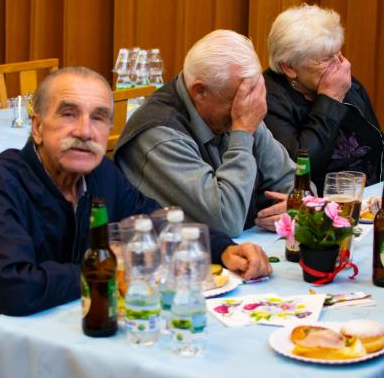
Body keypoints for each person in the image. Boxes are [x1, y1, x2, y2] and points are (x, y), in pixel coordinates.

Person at [0, 66, 271, 378]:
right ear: (37, 127)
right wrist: (109, 266)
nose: (85, 131)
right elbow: (16, 288)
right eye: (69, 114)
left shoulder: (101, 174)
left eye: (98, 117)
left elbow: (156, 220)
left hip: (74, 350)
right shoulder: (2, 183)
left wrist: (223, 248)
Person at [114, 30, 295, 238]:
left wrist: (297, 207)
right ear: (200, 91)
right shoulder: (159, 134)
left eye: (248, 99)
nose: (246, 109)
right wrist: (242, 134)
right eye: (235, 101)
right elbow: (226, 222)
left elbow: (298, 185)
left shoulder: (239, 109)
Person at [264, 4, 384, 193]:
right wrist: (329, 100)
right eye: (326, 58)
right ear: (289, 67)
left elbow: (382, 148)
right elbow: (298, 170)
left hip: (370, 199)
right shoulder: (269, 99)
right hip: (316, 205)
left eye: (338, 53)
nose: (340, 65)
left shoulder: (347, 83)